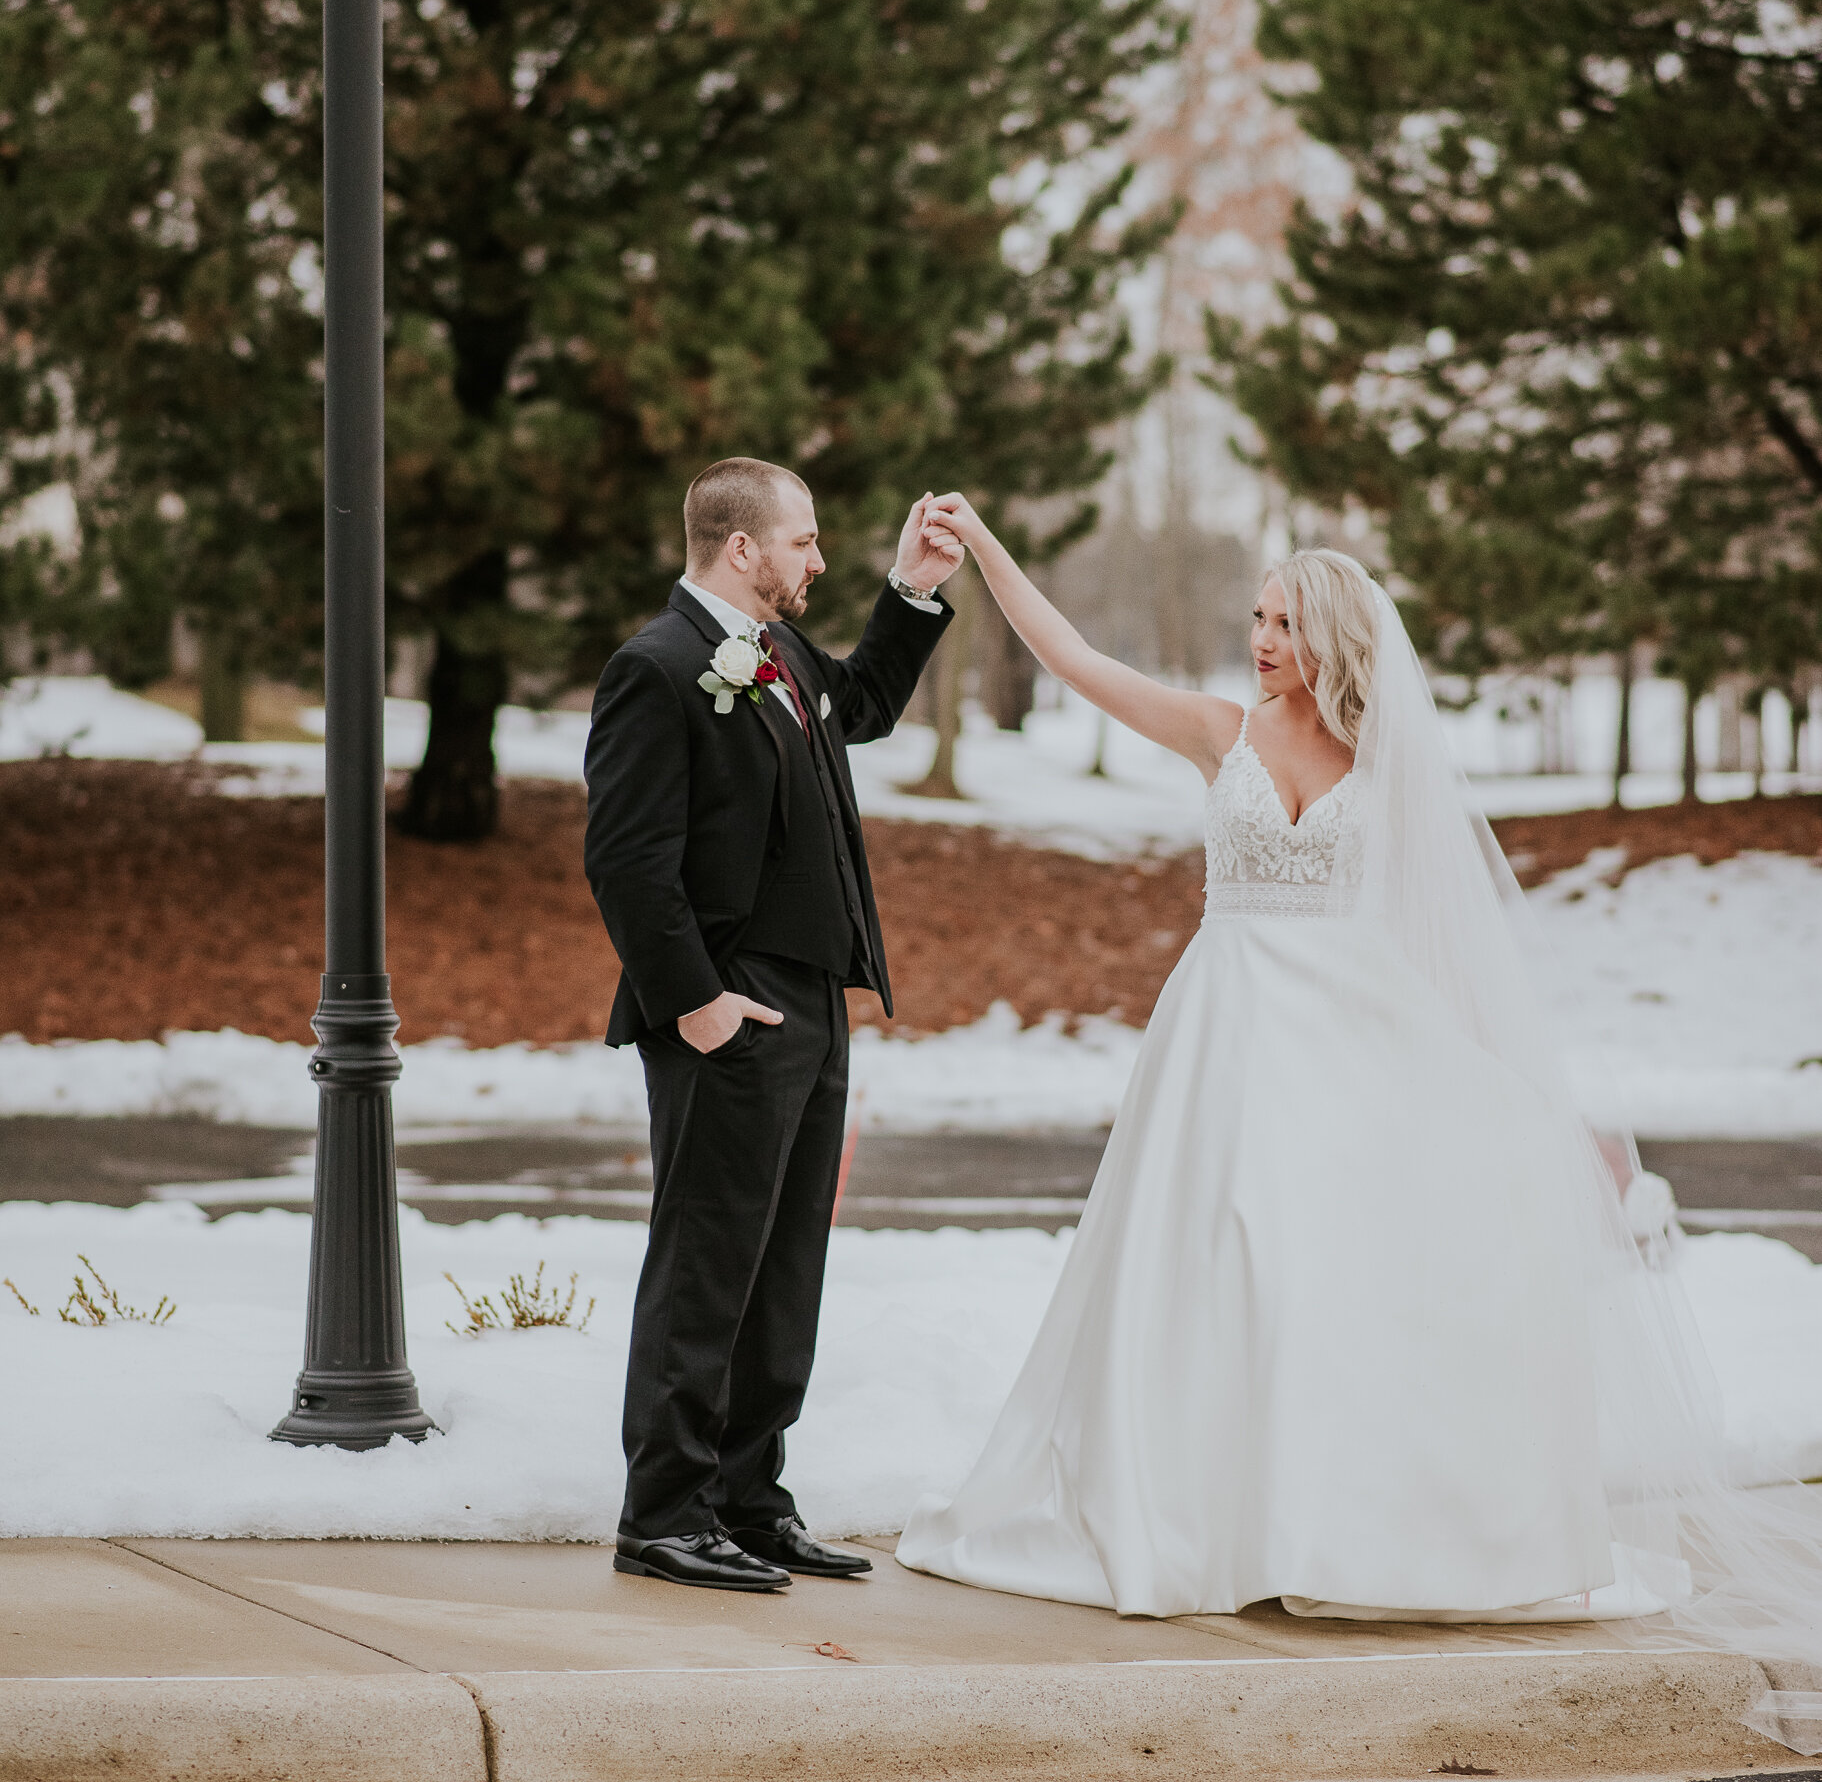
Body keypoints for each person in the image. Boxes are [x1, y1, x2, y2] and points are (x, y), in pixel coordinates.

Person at [895, 500, 1822, 1719]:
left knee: (1327, 1282)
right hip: (1223, 1036)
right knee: (1218, 1265)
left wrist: (1540, 1106)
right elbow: (1075, 660)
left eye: (1283, 621)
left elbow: (1446, 948)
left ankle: (1335, 1524)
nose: (1261, 636)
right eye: (1257, 616)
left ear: (1333, 635)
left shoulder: (1389, 769)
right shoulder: (1217, 730)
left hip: (1349, 1040)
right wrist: (987, 554)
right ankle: (1208, 1522)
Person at [584, 458, 958, 1594]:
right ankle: (663, 1514)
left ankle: (749, 1500)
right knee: (707, 1266)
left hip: (812, 1004)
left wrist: (913, 587)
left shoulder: (781, 653)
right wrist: (694, 1003)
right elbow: (628, 861)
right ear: (740, 548)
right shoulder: (654, 669)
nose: (817, 559)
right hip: (727, 1007)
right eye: (803, 540)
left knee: (781, 1269)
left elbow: (866, 706)